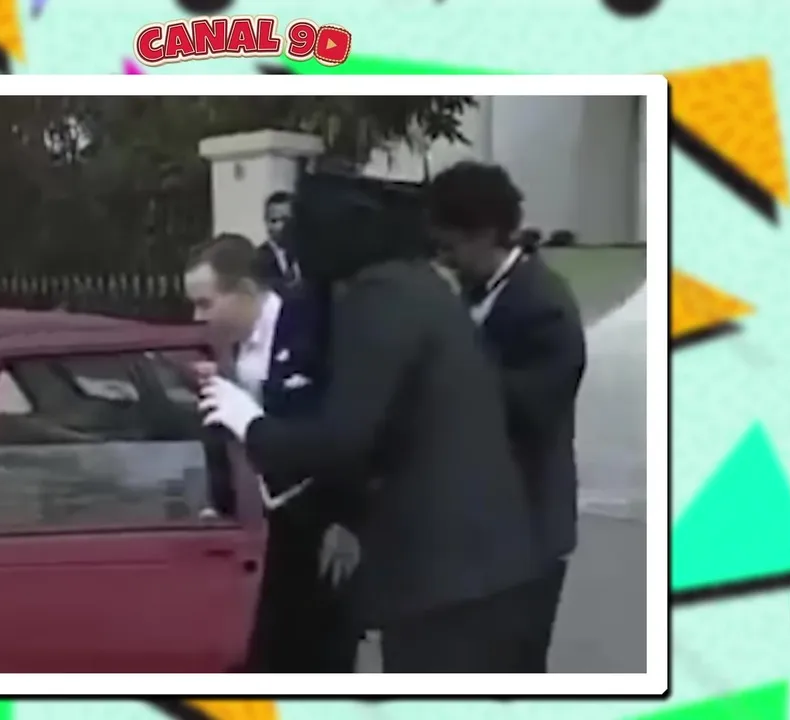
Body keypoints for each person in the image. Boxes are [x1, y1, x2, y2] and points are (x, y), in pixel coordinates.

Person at [198, 174, 542, 672]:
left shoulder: (377, 299)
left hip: (445, 574)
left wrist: (250, 424)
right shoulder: (414, 285)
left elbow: (345, 437)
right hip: (479, 565)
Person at [427, 161, 588, 672]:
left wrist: (450, 357)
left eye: (450, 247)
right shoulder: (470, 294)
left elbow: (530, 411)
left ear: (486, 233)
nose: (444, 260)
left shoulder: (545, 306)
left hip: (526, 534)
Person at [183, 232, 357, 673]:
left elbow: (347, 430)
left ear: (244, 291)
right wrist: (218, 503)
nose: (197, 317)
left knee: (317, 660)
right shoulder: (221, 351)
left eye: (205, 303)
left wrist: (347, 520)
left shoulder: (313, 330)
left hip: (317, 524)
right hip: (258, 531)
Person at [254, 191, 302, 291]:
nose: (281, 226)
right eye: (274, 221)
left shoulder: (310, 256)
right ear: (266, 222)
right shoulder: (258, 260)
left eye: (286, 220)